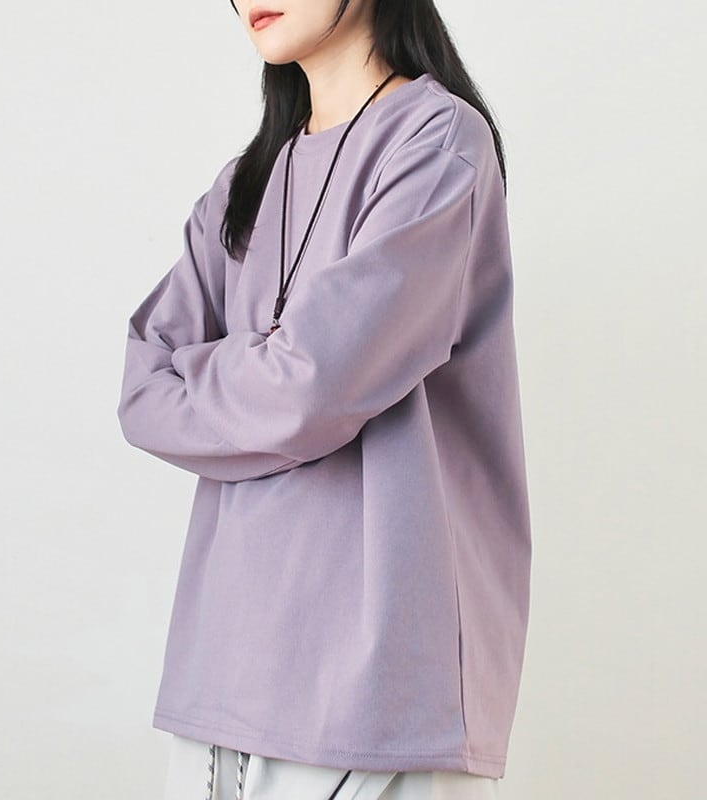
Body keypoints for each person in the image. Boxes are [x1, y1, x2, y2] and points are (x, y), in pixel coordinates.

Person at [116, 1, 532, 797]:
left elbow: (313, 386)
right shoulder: (242, 186)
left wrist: (228, 370)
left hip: (374, 690)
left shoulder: (436, 142)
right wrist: (275, 366)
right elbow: (142, 389)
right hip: (221, 676)